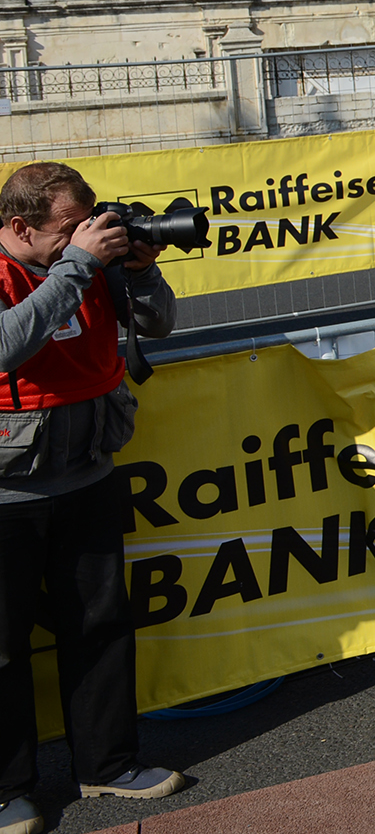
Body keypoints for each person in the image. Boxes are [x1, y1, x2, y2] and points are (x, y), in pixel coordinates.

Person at [0, 164, 187, 832]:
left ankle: (108, 767)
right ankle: (7, 791)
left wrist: (137, 271)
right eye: (67, 227)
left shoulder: (92, 260)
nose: (87, 233)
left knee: (100, 627)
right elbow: (6, 347)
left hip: (88, 473)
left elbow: (159, 324)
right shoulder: (43, 266)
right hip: (6, 491)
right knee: (2, 646)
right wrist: (77, 265)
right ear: (20, 226)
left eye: (89, 219)